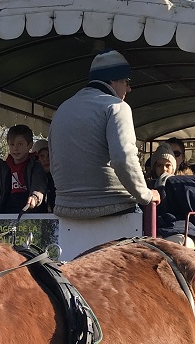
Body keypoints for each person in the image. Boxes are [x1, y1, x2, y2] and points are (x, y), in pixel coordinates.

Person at [48, 50, 160, 219]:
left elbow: (53, 158)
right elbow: (123, 158)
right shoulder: (116, 106)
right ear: (113, 80)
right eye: (126, 81)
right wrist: (146, 195)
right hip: (114, 209)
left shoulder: (62, 109)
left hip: (65, 210)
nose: (129, 88)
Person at [0, 123, 49, 215]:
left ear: (29, 145)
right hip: (6, 215)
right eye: (12, 144)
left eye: (20, 144)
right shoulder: (4, 169)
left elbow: (39, 185)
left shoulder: (35, 165)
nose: (15, 148)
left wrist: (35, 197)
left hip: (30, 215)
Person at [30, 138, 54, 211]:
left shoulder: (58, 178)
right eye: (42, 156)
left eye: (49, 155)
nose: (46, 159)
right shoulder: (30, 178)